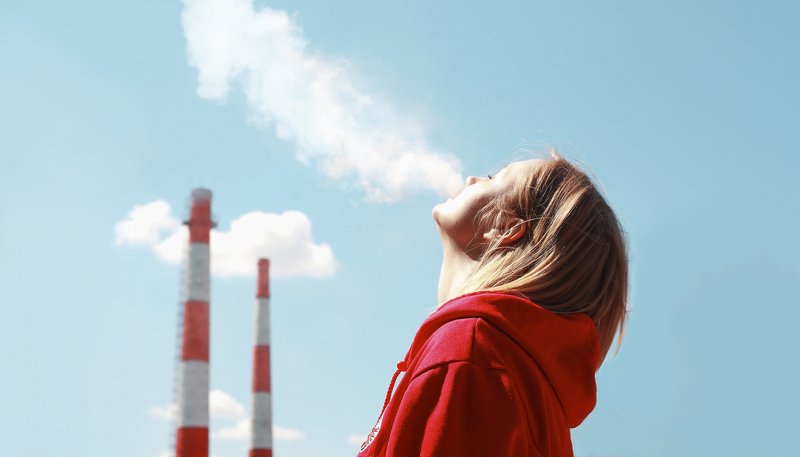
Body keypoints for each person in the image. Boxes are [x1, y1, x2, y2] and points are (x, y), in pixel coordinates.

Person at [356, 152, 628, 457]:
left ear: (505, 228)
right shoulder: (524, 383)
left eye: (492, 179)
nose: (472, 179)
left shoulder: (469, 352)